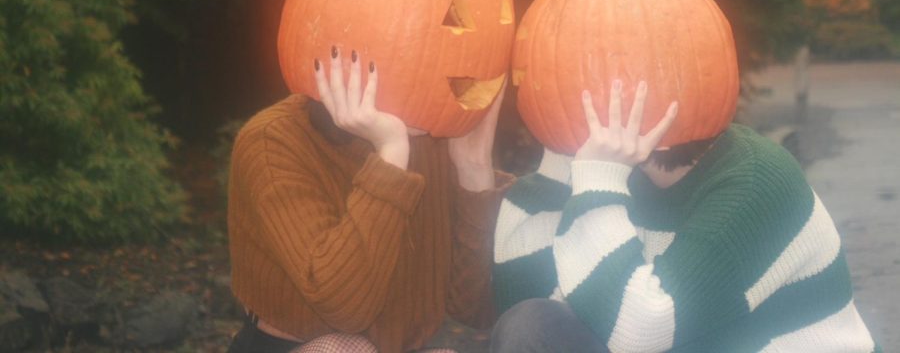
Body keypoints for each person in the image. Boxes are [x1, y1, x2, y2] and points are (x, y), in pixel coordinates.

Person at [491, 80, 879, 352]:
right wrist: (562, 156)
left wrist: (595, 176)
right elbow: (526, 304)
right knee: (532, 323)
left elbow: (640, 331)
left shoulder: (757, 181)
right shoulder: (614, 174)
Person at [226, 46, 512, 353]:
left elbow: (474, 309)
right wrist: (390, 156)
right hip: (299, 347)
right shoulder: (272, 140)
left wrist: (473, 169)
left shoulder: (435, 135)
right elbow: (345, 309)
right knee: (345, 349)